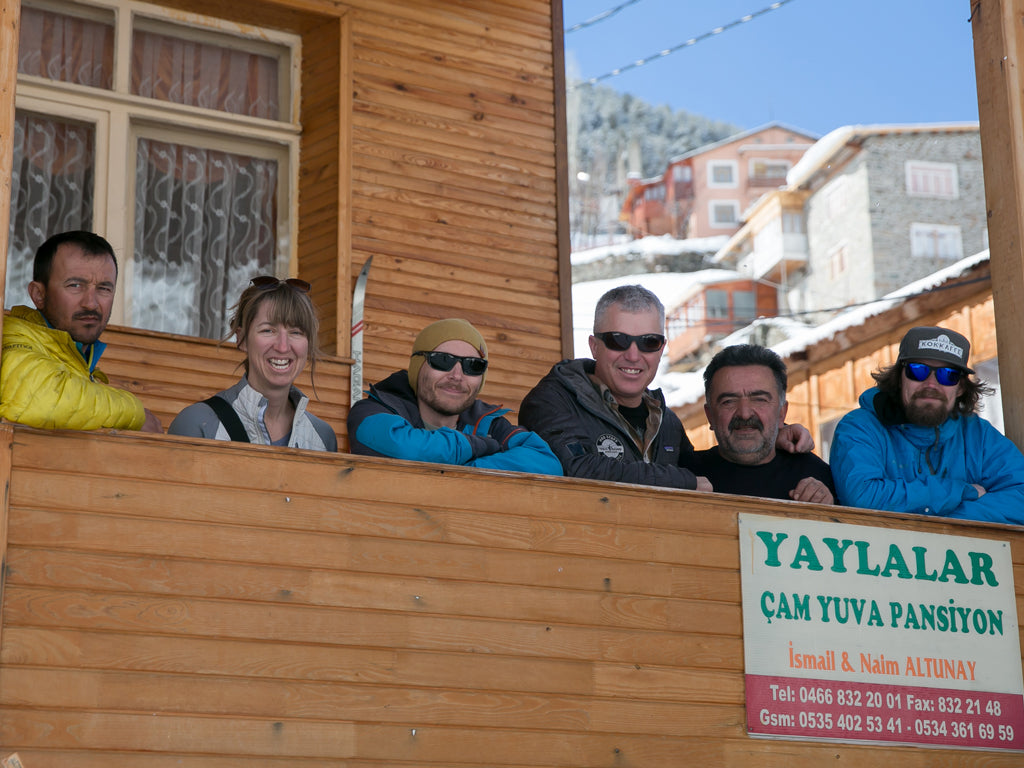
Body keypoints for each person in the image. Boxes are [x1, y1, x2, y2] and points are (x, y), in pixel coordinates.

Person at [519, 285, 813, 491]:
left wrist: (767, 434)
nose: (633, 355)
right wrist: (681, 483)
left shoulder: (665, 421)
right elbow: (577, 469)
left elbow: (704, 474)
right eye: (618, 340)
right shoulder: (554, 400)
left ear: (661, 350)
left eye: (648, 342)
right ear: (595, 346)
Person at [831, 326, 1024, 523]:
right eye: (918, 371)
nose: (931, 384)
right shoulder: (860, 428)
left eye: (948, 375)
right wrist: (960, 491)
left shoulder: (979, 436)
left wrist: (945, 521)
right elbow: (863, 498)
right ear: (899, 378)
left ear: (960, 388)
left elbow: (1021, 498)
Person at [347, 318, 562, 474]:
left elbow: (546, 462)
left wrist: (466, 470)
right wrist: (473, 447)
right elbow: (403, 447)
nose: (457, 375)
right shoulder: (371, 412)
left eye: (473, 366)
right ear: (417, 366)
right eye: (443, 361)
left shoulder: (488, 425)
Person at [0, 230, 162, 432]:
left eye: (104, 288)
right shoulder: (8, 336)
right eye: (75, 285)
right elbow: (43, 401)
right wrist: (136, 414)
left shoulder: (78, 358)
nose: (91, 303)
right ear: (38, 295)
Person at [168, 275, 337, 451]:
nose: (283, 346)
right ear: (242, 340)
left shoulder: (323, 437)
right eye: (268, 330)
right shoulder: (197, 424)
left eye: (296, 332)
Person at [694, 344, 834, 503]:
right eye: (729, 401)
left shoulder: (819, 480)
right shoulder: (685, 477)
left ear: (782, 413)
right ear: (710, 415)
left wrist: (830, 511)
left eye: (759, 400)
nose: (745, 413)